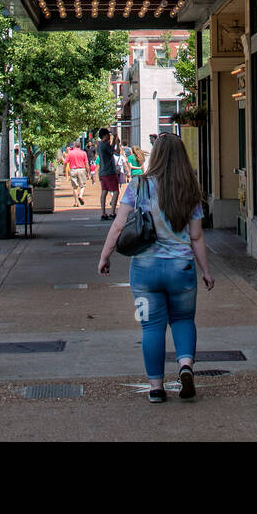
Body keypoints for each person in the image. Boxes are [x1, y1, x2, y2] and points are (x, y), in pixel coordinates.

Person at [98, 133, 215, 403]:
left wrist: (106, 256)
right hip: (181, 269)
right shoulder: (190, 190)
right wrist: (206, 271)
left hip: (145, 270)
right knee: (184, 320)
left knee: (151, 327)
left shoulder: (138, 186)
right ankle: (186, 365)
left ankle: (155, 387)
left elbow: (119, 225)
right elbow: (196, 237)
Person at [96, 127, 120, 220]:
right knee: (116, 191)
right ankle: (113, 212)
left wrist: (114, 139)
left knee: (104, 191)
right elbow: (116, 151)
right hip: (110, 172)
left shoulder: (100, 145)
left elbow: (110, 148)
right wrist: (117, 142)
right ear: (105, 135)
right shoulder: (105, 145)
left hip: (102, 172)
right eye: (108, 135)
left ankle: (103, 213)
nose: (109, 137)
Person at [64, 142, 89, 206]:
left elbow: (65, 162)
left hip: (73, 170)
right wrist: (88, 172)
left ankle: (76, 202)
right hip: (81, 169)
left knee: (74, 187)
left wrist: (65, 170)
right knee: (83, 185)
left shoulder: (70, 153)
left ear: (74, 146)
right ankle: (80, 195)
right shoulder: (83, 153)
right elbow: (86, 163)